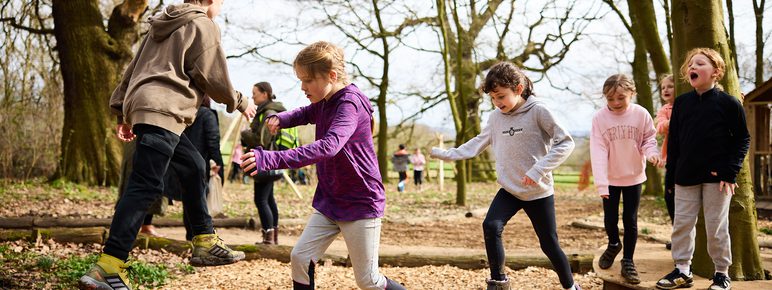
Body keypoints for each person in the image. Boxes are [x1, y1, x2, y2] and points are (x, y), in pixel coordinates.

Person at [79, 1, 256, 289]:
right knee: (145, 185)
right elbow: (213, 76)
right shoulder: (203, 25)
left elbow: (135, 68)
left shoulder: (161, 22)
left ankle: (204, 241)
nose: (221, 8)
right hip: (165, 108)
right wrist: (241, 102)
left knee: (194, 165)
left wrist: (123, 110)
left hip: (146, 104)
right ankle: (107, 266)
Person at [241, 41, 405, 290]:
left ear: (331, 75)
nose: (303, 87)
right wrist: (281, 118)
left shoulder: (349, 103)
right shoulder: (326, 100)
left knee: (368, 281)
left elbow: (329, 146)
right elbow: (307, 113)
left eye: (307, 80)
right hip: (331, 199)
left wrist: (271, 158)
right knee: (300, 257)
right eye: (300, 80)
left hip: (360, 201)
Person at [431, 62, 578, 290]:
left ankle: (570, 286)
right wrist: (447, 154)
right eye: (493, 98)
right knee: (491, 225)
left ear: (518, 89)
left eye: (501, 96)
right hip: (509, 189)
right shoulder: (495, 118)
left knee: (549, 244)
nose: (497, 103)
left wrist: (538, 169)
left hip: (537, 191)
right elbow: (477, 144)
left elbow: (565, 143)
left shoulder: (539, 111)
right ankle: (498, 282)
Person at [655, 48, 749, 290]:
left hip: (718, 178)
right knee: (682, 225)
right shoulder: (682, 103)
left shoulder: (729, 103)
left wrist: (730, 171)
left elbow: (742, 140)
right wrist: (672, 174)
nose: (692, 67)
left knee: (716, 227)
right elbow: (674, 141)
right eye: (690, 65)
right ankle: (683, 271)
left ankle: (721, 273)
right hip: (685, 176)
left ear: (716, 72)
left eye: (700, 63)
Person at [590, 74, 663, 285]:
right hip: (610, 179)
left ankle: (628, 260)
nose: (615, 103)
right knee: (610, 219)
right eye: (610, 99)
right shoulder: (600, 118)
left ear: (632, 93)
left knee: (630, 220)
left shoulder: (641, 114)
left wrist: (651, 153)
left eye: (621, 98)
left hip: (634, 177)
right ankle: (613, 244)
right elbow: (598, 151)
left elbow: (649, 138)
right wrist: (602, 183)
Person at [249, 81, 290, 245]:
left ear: (264, 94)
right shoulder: (269, 111)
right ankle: (273, 236)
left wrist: (246, 135)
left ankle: (268, 237)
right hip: (273, 162)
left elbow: (263, 140)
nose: (252, 96)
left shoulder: (268, 113)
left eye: (254, 93)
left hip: (265, 161)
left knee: (260, 199)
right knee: (269, 198)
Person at [656, 74, 676, 250]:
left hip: (690, 159)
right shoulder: (665, 110)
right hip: (672, 160)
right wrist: (673, 120)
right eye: (663, 88)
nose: (666, 90)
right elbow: (660, 127)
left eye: (670, 86)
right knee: (670, 197)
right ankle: (677, 234)